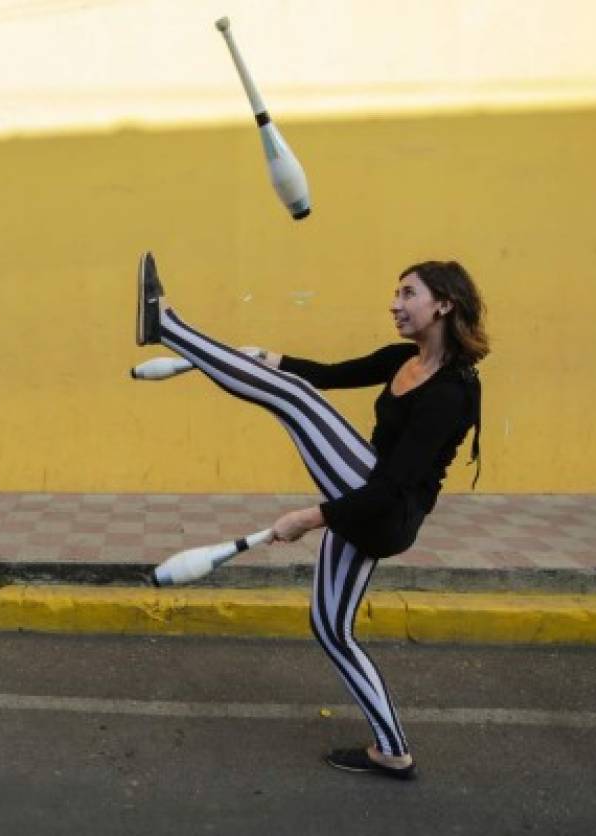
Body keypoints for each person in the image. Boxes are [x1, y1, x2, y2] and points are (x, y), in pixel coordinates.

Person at [134, 251, 487, 779]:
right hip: (364, 499)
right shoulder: (402, 360)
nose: (395, 304)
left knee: (293, 401)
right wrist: (273, 359)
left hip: (384, 508)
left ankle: (167, 326)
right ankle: (392, 750)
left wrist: (311, 516)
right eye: (396, 293)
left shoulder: (453, 391)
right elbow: (328, 375)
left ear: (443, 304)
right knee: (331, 629)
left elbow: (392, 489)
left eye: (407, 293)